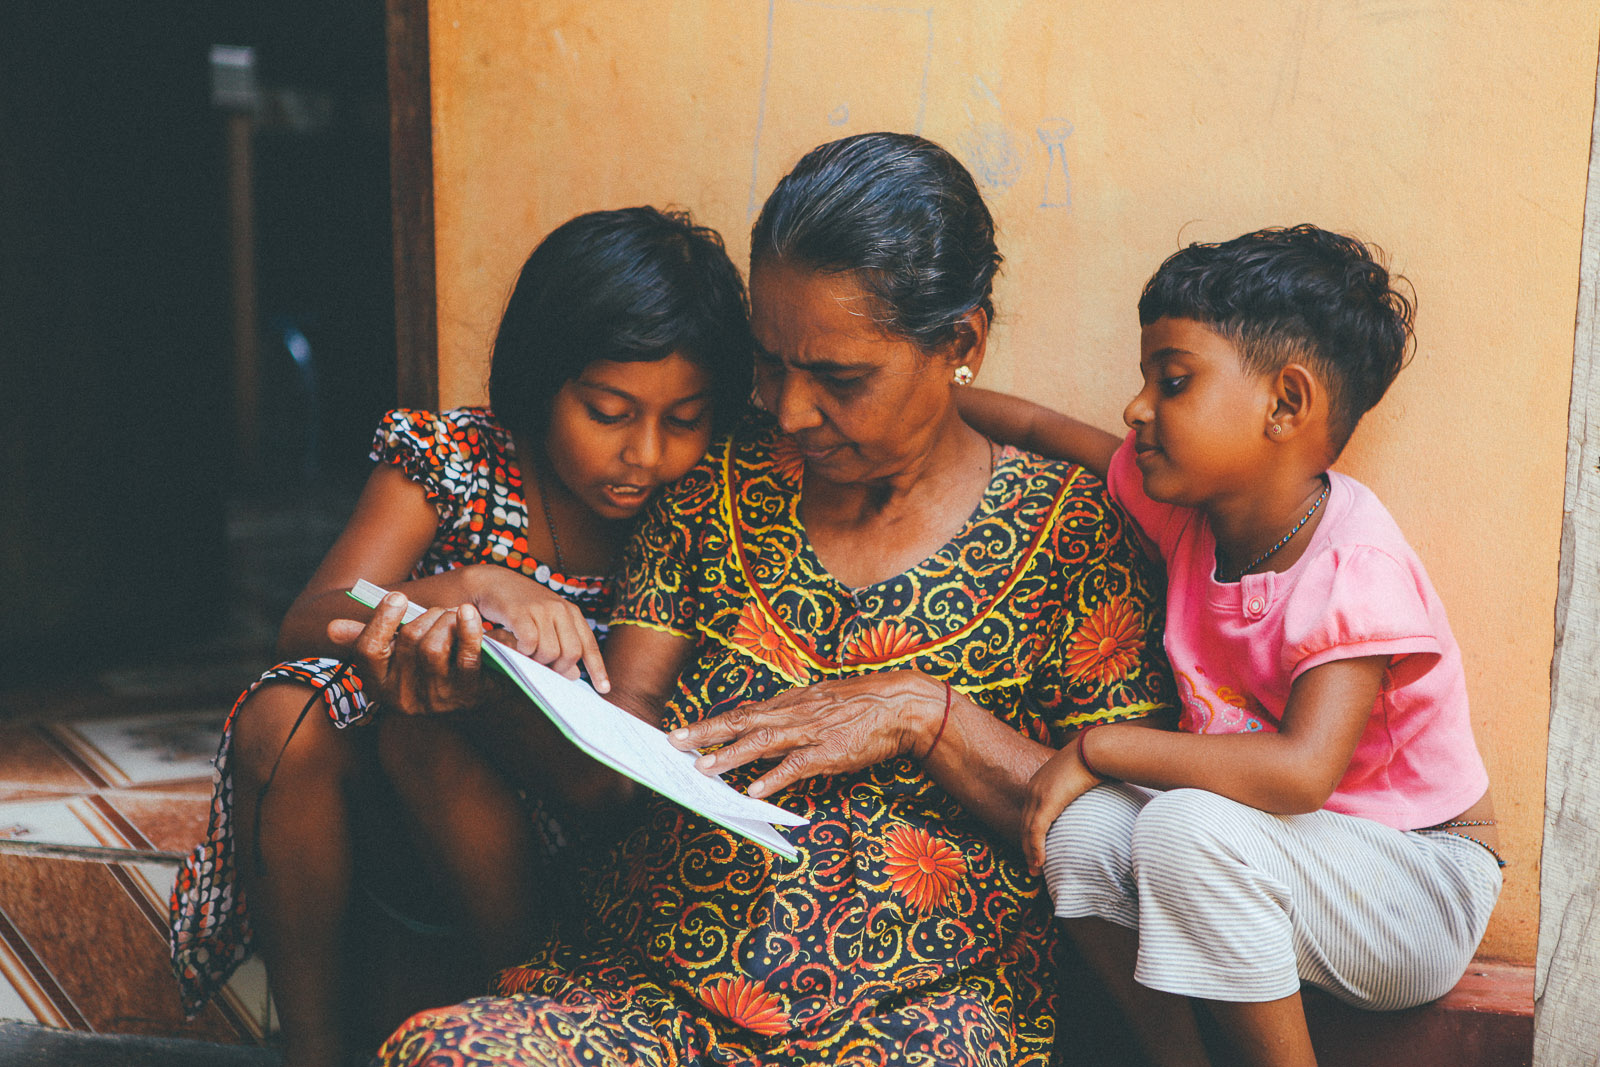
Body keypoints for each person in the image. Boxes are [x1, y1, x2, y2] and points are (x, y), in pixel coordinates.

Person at [352, 132, 1176, 1067]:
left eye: (838, 378)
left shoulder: (1073, 534)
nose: (788, 410)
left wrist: (927, 716)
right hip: (645, 990)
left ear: (962, 344)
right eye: (771, 364)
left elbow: (1128, 826)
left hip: (916, 1018)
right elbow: (610, 770)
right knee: (443, 1053)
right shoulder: (721, 483)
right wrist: (491, 696)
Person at [167, 206, 754, 1067]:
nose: (646, 452)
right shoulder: (457, 461)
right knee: (284, 714)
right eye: (608, 410)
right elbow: (308, 618)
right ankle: (313, 1050)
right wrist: (470, 587)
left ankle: (533, 1013)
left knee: (428, 730)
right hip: (401, 795)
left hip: (568, 808)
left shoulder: (707, 498)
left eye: (685, 418)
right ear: (542, 376)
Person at [970, 226, 1501, 1067]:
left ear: (1286, 404)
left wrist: (1099, 746)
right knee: (1082, 830)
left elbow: (1300, 772)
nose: (1136, 407)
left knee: (1182, 824)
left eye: (1172, 380)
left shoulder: (1350, 563)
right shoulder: (1186, 514)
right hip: (1274, 861)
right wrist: (921, 395)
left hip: (1418, 886)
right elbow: (1036, 425)